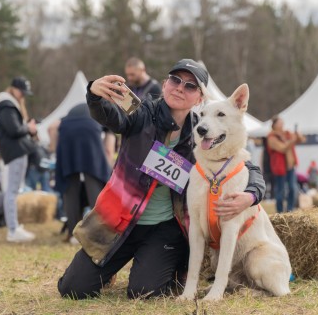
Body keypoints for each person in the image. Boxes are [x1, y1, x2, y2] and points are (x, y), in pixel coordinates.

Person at [58, 59, 265, 300]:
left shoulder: (204, 133)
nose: (180, 87)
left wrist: (250, 195)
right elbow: (111, 115)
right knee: (73, 289)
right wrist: (94, 94)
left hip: (165, 229)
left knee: (143, 292)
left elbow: (247, 165)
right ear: (165, 84)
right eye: (175, 80)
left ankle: (162, 266)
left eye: (190, 86)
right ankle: (111, 265)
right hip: (120, 221)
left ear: (199, 98)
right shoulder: (141, 112)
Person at [54, 103, 113, 244]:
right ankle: (100, 234)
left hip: (66, 132)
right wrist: (106, 169)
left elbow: (52, 128)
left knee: (70, 184)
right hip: (90, 131)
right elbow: (109, 150)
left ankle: (73, 233)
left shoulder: (73, 111)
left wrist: (56, 150)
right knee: (95, 183)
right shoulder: (109, 113)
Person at [0, 76, 38, 242]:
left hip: (14, 151)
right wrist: (29, 128)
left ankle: (14, 227)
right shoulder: (7, 106)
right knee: (11, 191)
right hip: (15, 151)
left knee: (12, 190)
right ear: (13, 89)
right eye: (21, 91)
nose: (23, 95)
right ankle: (12, 230)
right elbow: (14, 130)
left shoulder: (7, 105)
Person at [267, 116, 305, 213]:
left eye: (282, 122)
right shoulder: (271, 137)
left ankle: (290, 210)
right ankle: (280, 212)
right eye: (280, 122)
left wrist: (298, 135)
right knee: (280, 191)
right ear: (274, 125)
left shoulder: (287, 134)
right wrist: (292, 141)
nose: (282, 124)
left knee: (293, 188)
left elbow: (301, 140)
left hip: (290, 166)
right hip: (279, 168)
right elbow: (282, 148)